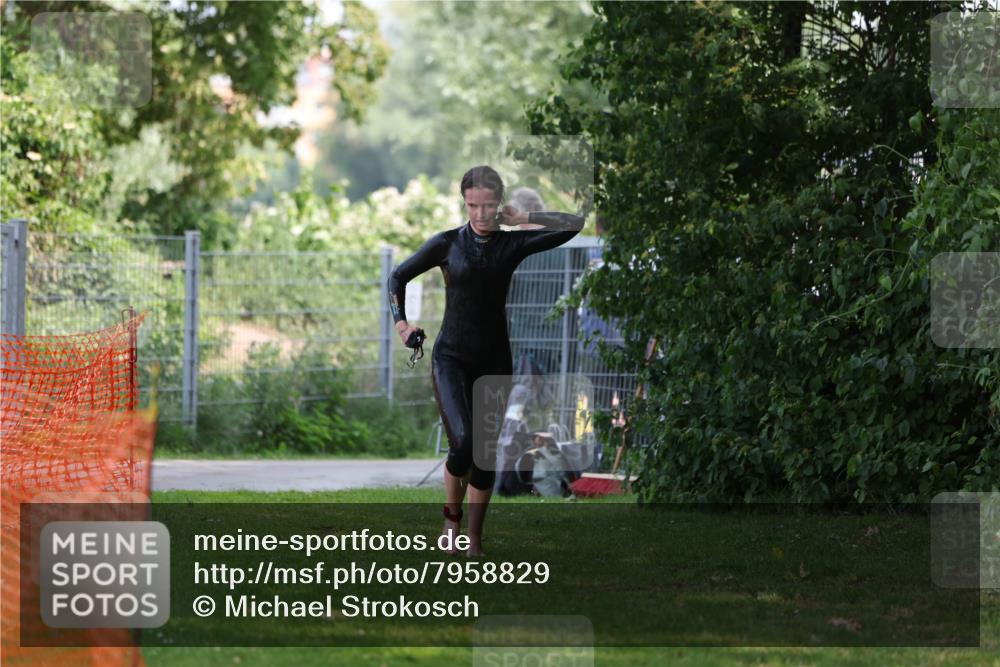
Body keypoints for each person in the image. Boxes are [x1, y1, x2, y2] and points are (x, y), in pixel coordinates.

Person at [388, 165, 583, 557]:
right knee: (463, 444)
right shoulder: (446, 244)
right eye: (473, 205)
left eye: (489, 205)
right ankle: (451, 521)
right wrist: (402, 325)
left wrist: (524, 218)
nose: (480, 214)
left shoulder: (512, 245)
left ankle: (474, 539)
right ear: (464, 202)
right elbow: (397, 277)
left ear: (500, 204)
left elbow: (573, 223)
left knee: (485, 455)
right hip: (451, 359)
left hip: (495, 360)